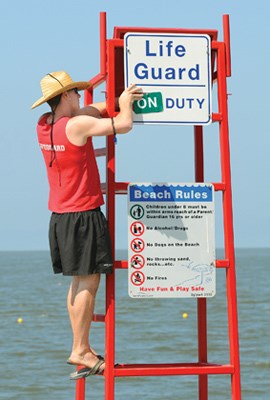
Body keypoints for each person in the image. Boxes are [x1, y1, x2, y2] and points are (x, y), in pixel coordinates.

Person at [31, 71, 143, 380]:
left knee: (78, 282)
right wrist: (125, 106)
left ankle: (81, 346)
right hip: (83, 213)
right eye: (76, 93)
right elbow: (124, 125)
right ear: (66, 96)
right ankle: (80, 348)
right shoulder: (77, 125)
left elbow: (88, 113)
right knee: (90, 282)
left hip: (60, 216)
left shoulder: (44, 124)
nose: (81, 97)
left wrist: (114, 102)